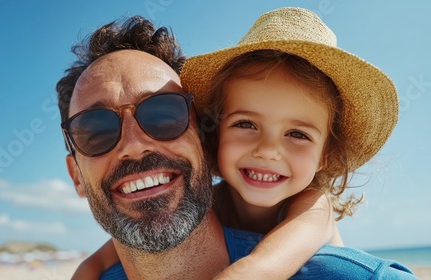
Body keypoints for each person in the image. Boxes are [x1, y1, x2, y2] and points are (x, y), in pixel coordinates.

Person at [57, 9, 417, 280]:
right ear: (214, 133)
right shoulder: (206, 200)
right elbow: (119, 249)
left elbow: (270, 262)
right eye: (246, 124)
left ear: (327, 155)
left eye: (298, 134)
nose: (268, 150)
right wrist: (86, 271)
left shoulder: (311, 207)